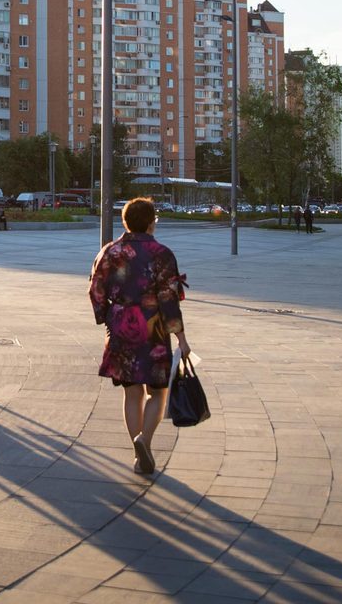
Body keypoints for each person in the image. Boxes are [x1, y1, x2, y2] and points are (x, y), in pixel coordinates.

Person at [89, 197, 189, 476]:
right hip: (154, 329)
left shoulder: (110, 252)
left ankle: (137, 450)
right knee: (157, 392)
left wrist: (108, 318)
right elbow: (169, 299)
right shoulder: (162, 253)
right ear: (150, 222)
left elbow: (95, 291)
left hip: (122, 328)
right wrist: (181, 337)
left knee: (132, 392)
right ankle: (145, 440)